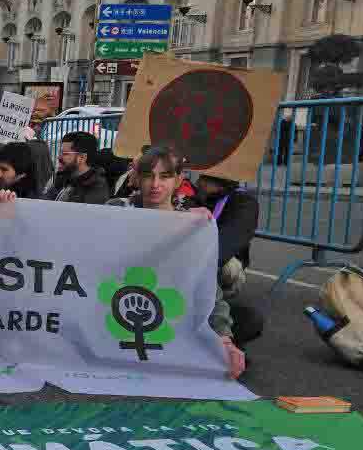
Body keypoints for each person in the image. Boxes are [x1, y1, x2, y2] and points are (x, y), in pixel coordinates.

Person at [107, 147, 246, 378]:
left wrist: (224, 338)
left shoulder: (193, 224)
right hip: (120, 303)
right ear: (137, 179)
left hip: (174, 307)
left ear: (178, 180)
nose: (155, 185)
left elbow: (207, 285)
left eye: (165, 176)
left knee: (246, 320)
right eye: (149, 176)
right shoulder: (116, 209)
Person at [193, 174, 263, 345]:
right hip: (181, 267)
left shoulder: (243, 202)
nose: (198, 182)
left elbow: (225, 245)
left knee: (248, 319)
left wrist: (192, 267)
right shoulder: (187, 196)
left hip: (210, 265)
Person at [44, 131, 110, 205]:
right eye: (60, 153)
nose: (59, 157)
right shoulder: (63, 178)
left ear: (82, 157)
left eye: (65, 154)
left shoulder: (96, 187)